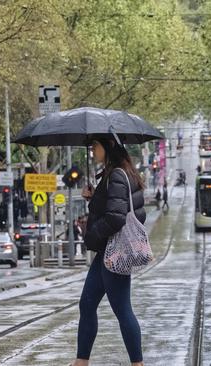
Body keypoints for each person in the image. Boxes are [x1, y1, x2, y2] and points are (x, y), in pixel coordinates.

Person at [75, 138, 146, 366]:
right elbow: (115, 207)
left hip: (114, 251)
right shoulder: (116, 173)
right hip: (108, 251)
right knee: (87, 304)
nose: (93, 151)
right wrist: (93, 197)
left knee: (122, 309)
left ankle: (138, 363)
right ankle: (81, 361)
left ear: (108, 147)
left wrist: (93, 234)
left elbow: (116, 217)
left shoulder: (116, 174)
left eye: (95, 146)